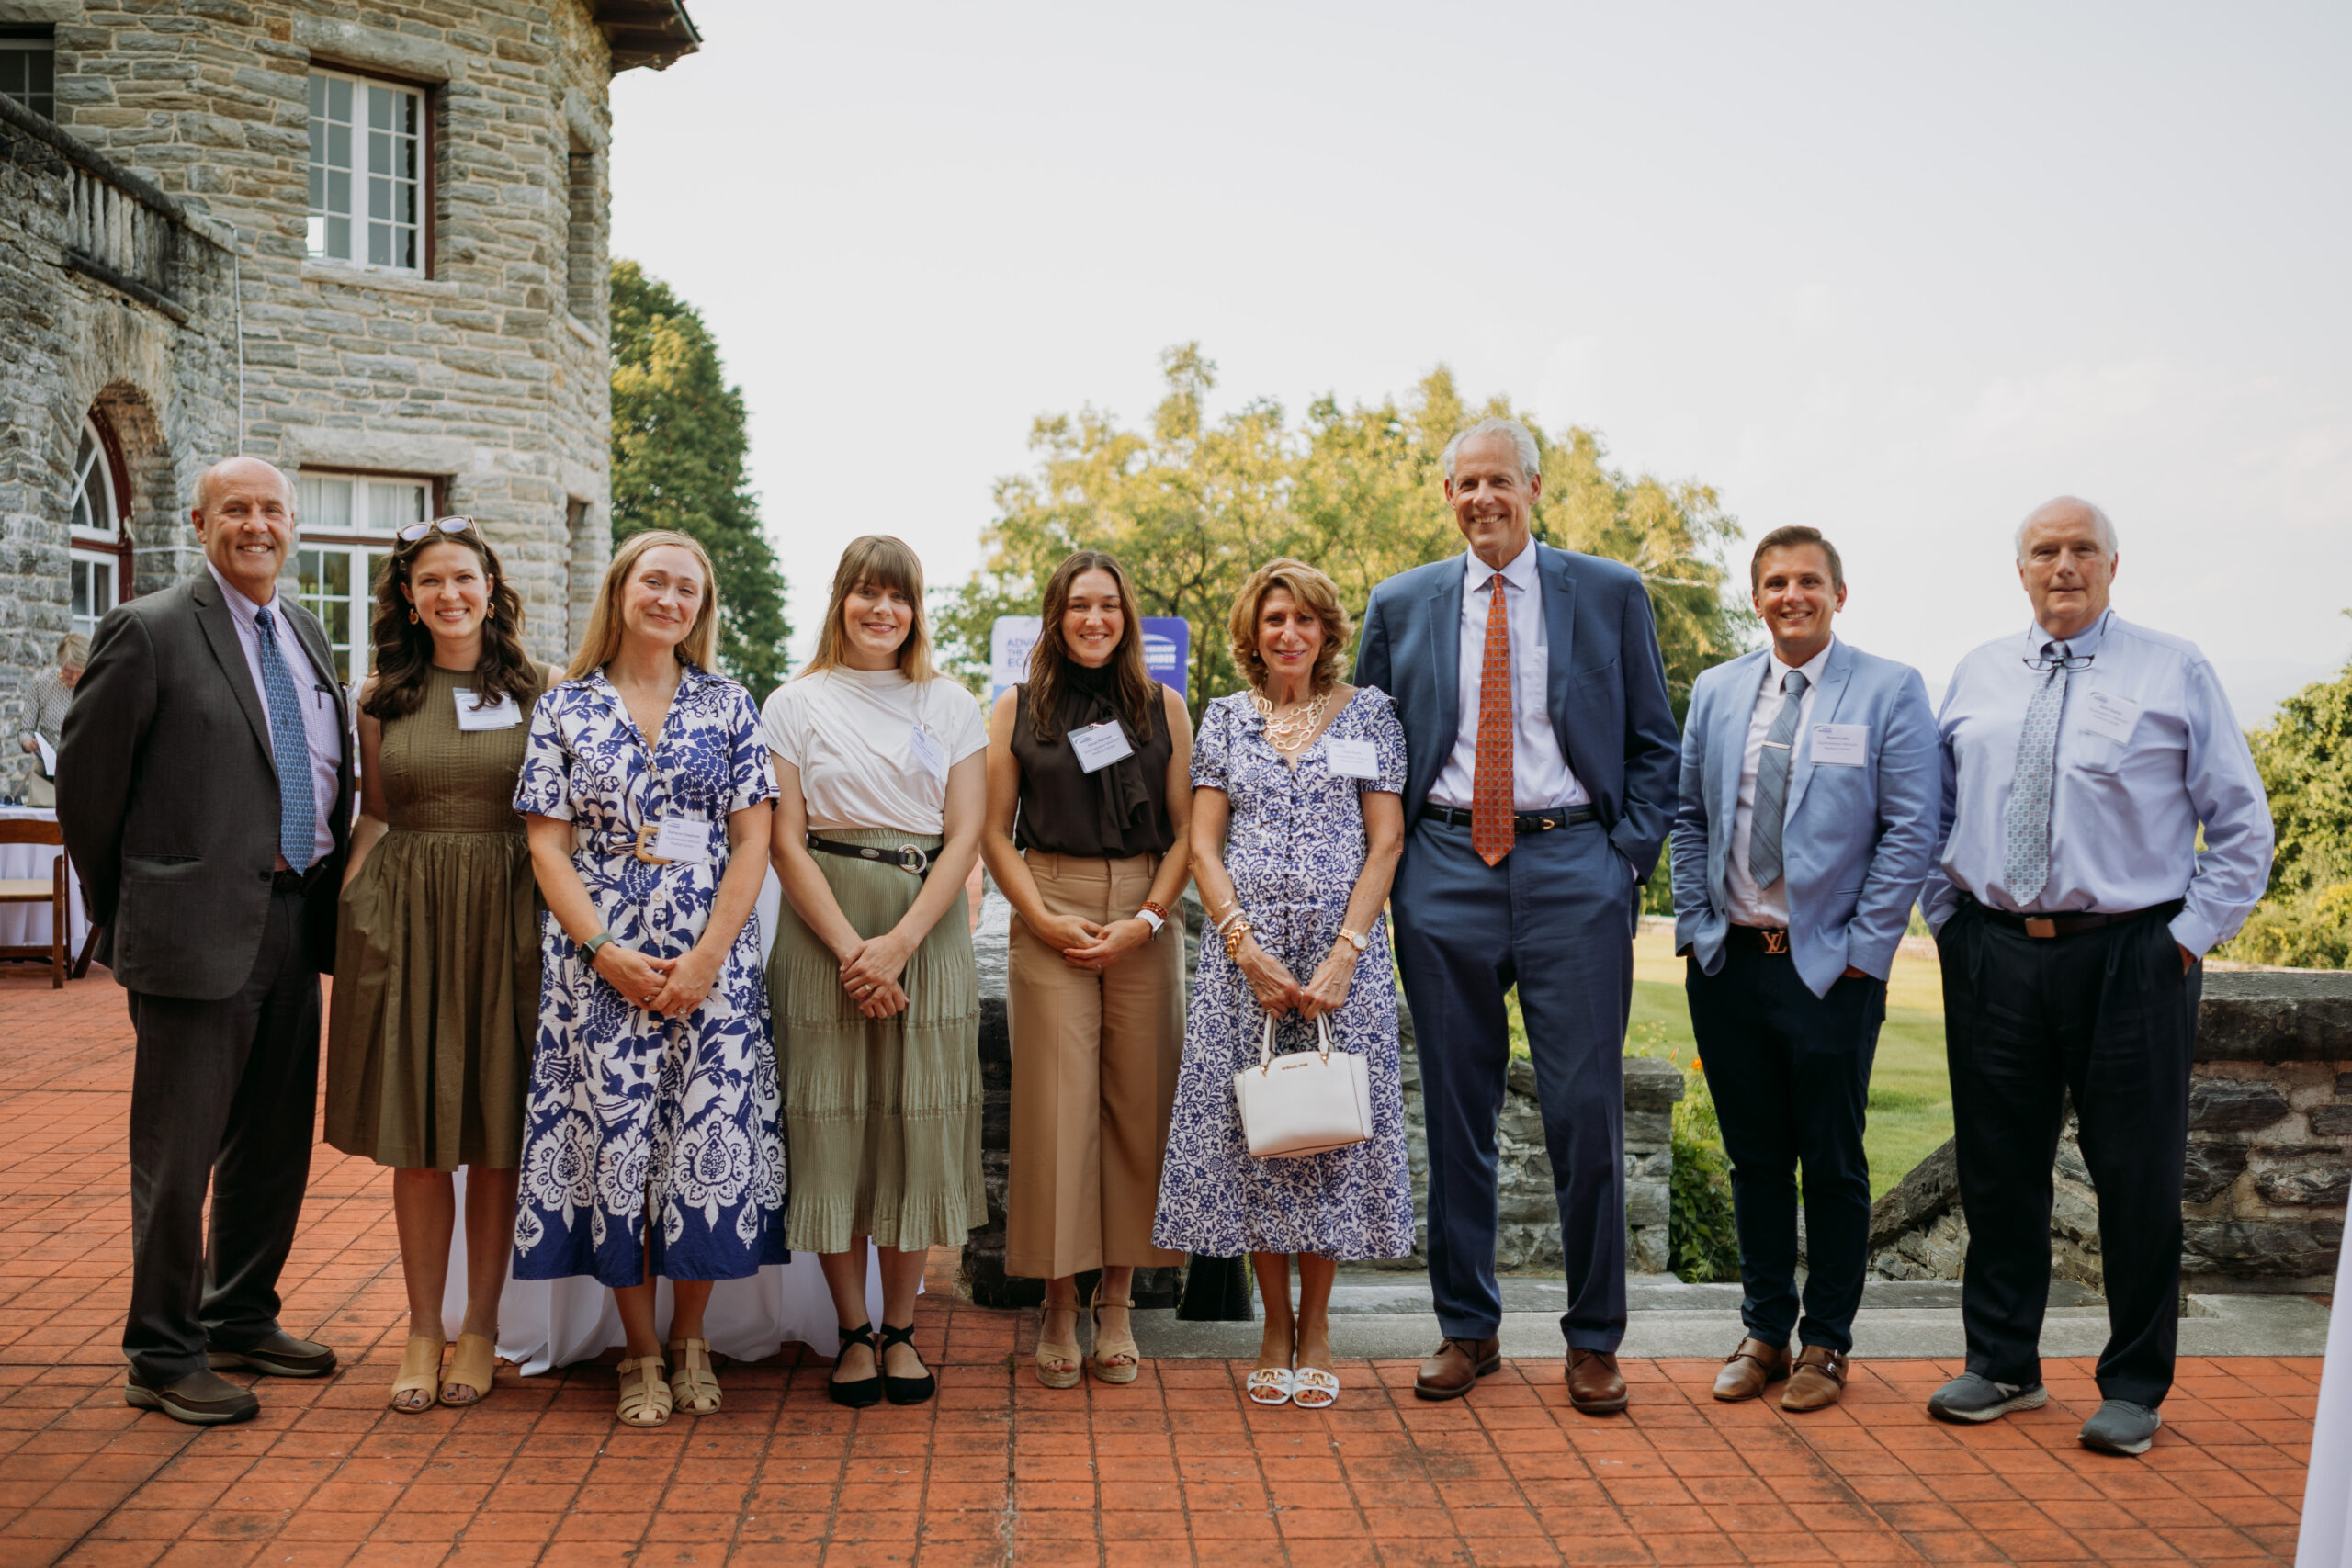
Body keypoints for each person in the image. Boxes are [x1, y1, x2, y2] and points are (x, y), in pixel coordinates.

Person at [1920, 496, 2272, 1456]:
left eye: (2083, 549)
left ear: (2114, 565)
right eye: (2045, 551)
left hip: (2131, 953)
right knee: (1997, 1168)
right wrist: (1948, 920)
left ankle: (2133, 1386)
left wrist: (2183, 940)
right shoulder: (1978, 673)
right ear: (2021, 570)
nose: (2063, 565)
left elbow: (2242, 825)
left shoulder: (2173, 668)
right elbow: (1933, 810)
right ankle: (2003, 1364)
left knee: (2135, 1175)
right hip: (1993, 949)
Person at [1355, 416, 1679, 1414]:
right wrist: (1397, 869)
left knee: (1586, 1114)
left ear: (1534, 488)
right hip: (1442, 868)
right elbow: (1369, 751)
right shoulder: (1400, 603)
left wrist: (1623, 862)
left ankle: (1593, 1339)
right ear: (1447, 495)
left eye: (1499, 481)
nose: (1482, 498)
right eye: (1466, 484)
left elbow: (1654, 744)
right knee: (1455, 1114)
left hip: (1574, 865)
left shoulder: (1610, 592)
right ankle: (1467, 1328)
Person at [58, 457, 352, 1426]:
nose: (256, 524)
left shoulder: (304, 629)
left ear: (293, 524)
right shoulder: (147, 630)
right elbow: (87, 789)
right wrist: (135, 905)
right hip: (192, 932)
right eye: (236, 509)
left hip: (295, 917)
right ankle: (160, 1351)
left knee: (273, 1141)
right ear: (199, 522)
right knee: (178, 1158)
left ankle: (239, 1315)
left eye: (272, 509)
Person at [511, 528, 782, 1428]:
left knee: (702, 1143)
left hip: (713, 961)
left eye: (686, 589)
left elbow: (753, 840)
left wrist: (706, 959)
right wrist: (604, 952)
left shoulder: (729, 703)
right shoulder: (565, 706)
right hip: (598, 966)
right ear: (622, 589)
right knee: (616, 1144)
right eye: (654, 582)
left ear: (702, 608)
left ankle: (692, 1338)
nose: (669, 599)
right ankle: (638, 1347)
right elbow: (546, 846)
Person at [1670, 525, 1938, 1413]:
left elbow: (1911, 827)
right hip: (1730, 964)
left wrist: (1866, 951)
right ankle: (1763, 1334)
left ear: (1838, 593)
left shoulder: (1889, 689)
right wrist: (1697, 925)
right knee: (1754, 1160)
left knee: (1830, 1160)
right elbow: (1689, 815)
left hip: (1830, 970)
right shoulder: (1717, 690)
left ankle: (1826, 1342)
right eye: (1777, 582)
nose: (1794, 595)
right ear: (1756, 598)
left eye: (1810, 581)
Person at [1153, 558, 1412, 1411]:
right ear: (1253, 634)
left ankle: (1319, 1328)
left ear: (1326, 630)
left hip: (1344, 963)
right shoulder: (1226, 719)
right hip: (1248, 965)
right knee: (1260, 1140)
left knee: (1327, 1137)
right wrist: (1243, 947)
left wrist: (1345, 951)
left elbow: (1385, 841)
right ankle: (1273, 1328)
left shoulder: (1369, 713)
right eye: (1274, 620)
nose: (1290, 633)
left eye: (1304, 618)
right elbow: (1202, 844)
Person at [325, 518, 548, 1411]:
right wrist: (356, 906)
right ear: (409, 601)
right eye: (430, 582)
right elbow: (375, 811)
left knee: (496, 1138)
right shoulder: (380, 697)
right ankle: (424, 1327)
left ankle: (480, 1327)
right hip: (409, 915)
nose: (449, 594)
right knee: (417, 1141)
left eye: (463, 578)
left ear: (491, 589)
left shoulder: (544, 689)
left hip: (511, 916)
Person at [764, 535, 987, 1408]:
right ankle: (851, 1329)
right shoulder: (794, 701)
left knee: (913, 1122)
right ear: (841, 600)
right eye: (866, 592)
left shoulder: (950, 701)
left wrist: (897, 944)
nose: (882, 610)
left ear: (916, 609)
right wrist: (853, 949)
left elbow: (966, 835)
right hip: (823, 923)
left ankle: (901, 1328)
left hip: (925, 925)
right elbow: (784, 839)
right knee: (830, 1120)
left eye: (898, 596)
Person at [982, 550, 1194, 1387]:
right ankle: (1058, 1301)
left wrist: (1148, 918)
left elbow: (1187, 832)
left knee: (1138, 1105)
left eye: (1108, 604)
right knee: (1056, 1109)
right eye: (1079, 605)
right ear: (1056, 615)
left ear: (1127, 616)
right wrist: (1039, 917)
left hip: (1147, 907)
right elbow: (994, 830)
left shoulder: (1164, 706)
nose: (1094, 619)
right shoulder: (1016, 707)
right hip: (1051, 902)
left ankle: (1116, 1302)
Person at [19, 632, 85, 807]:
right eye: (68, 670)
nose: (74, 677)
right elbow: (25, 730)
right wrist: (28, 743)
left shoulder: (94, 688)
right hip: (49, 776)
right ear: (60, 662)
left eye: (79, 671)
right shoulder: (41, 685)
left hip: (84, 773)